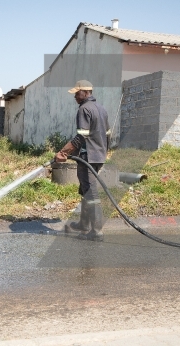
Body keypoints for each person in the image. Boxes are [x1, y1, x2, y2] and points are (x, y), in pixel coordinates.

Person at [55, 80, 110, 241]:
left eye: (77, 93)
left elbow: (81, 136)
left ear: (86, 92)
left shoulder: (84, 109)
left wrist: (63, 152)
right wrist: (103, 151)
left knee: (91, 193)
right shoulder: (102, 109)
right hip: (99, 156)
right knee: (85, 189)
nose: (75, 97)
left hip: (88, 157)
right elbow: (108, 134)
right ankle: (84, 224)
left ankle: (96, 231)